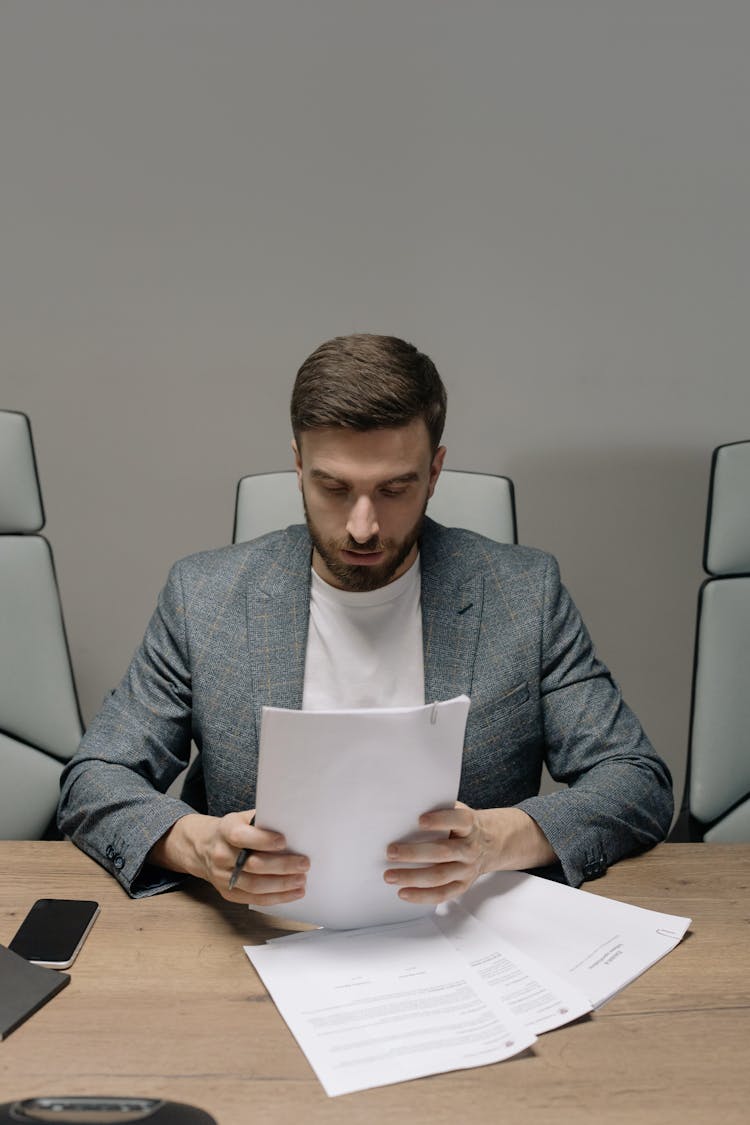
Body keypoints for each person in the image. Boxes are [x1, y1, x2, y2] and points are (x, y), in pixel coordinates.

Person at [58, 334, 673, 908]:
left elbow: (635, 781)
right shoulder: (205, 597)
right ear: (298, 466)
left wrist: (499, 838)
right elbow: (96, 779)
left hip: (460, 936)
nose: (362, 527)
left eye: (394, 489)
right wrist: (197, 846)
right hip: (258, 935)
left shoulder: (523, 594)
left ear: (434, 472)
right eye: (333, 487)